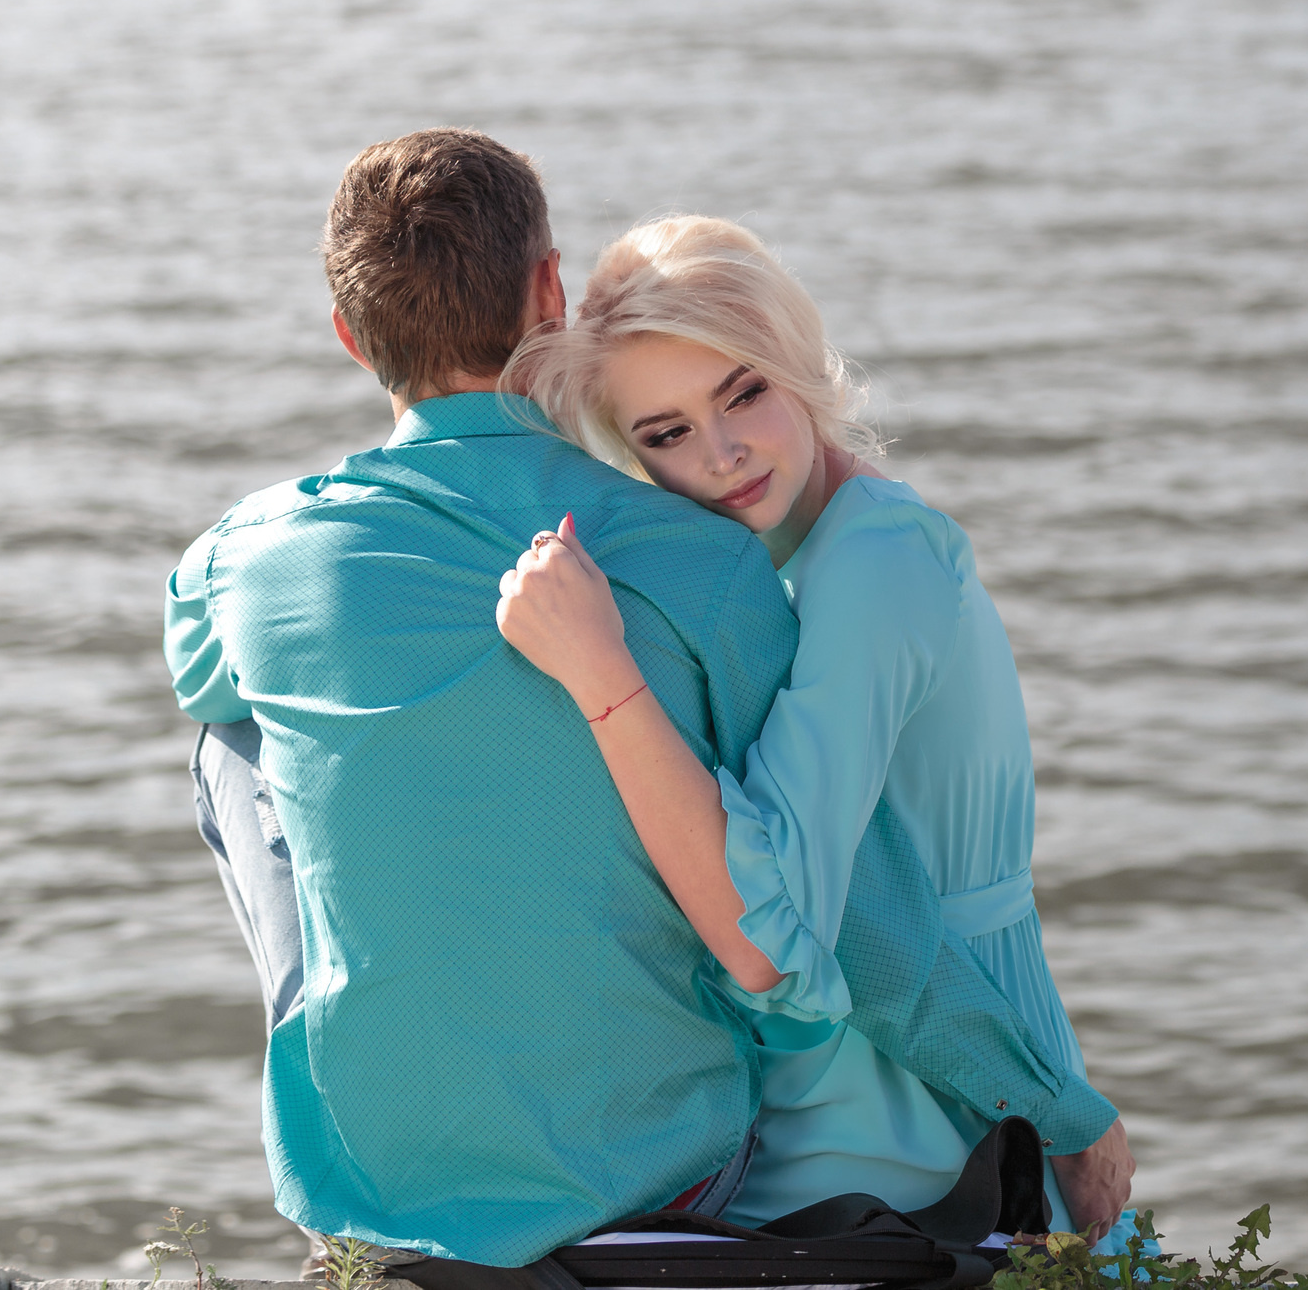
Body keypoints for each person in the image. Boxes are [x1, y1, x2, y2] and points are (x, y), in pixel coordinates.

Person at [166, 131, 1117, 1274]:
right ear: (549, 292)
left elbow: (199, 672)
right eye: (669, 431)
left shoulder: (247, 551)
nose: (710, 453)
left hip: (368, 1178)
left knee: (234, 740)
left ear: (346, 336)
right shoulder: (704, 563)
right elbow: (856, 926)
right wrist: (1061, 1109)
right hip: (664, 1171)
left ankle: (337, 1057)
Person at [496, 215, 1136, 1242]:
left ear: (794, 360)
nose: (723, 452)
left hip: (916, 1124)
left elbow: (787, 920)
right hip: (906, 1072)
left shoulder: (872, 564)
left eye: (741, 390)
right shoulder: (785, 570)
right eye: (666, 434)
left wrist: (600, 672)